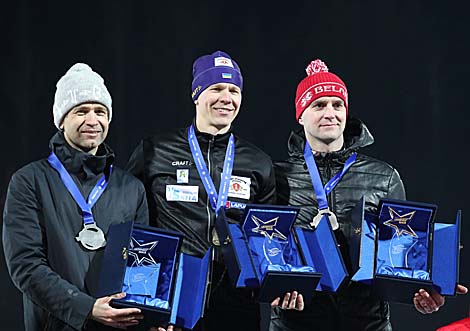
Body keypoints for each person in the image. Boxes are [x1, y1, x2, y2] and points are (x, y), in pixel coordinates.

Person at [270, 59, 467, 331]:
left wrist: (426, 286)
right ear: (301, 115)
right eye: (318, 105)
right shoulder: (276, 177)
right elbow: (265, 250)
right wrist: (274, 289)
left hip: (367, 323)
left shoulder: (383, 177)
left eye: (337, 105)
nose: (330, 113)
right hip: (296, 322)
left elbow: (405, 251)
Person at [126, 50, 303, 331]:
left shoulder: (257, 161)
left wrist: (282, 284)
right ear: (197, 94)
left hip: (236, 305)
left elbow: (268, 238)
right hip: (172, 303)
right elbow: (133, 225)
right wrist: (145, 305)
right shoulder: (155, 151)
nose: (226, 98)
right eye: (216, 88)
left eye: (234, 90)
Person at [2, 63, 159, 330]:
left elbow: (142, 265)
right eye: (81, 111)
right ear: (62, 119)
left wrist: (153, 317)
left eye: (100, 111)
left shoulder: (131, 188)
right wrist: (86, 309)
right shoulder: (29, 181)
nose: (92, 120)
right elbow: (25, 266)